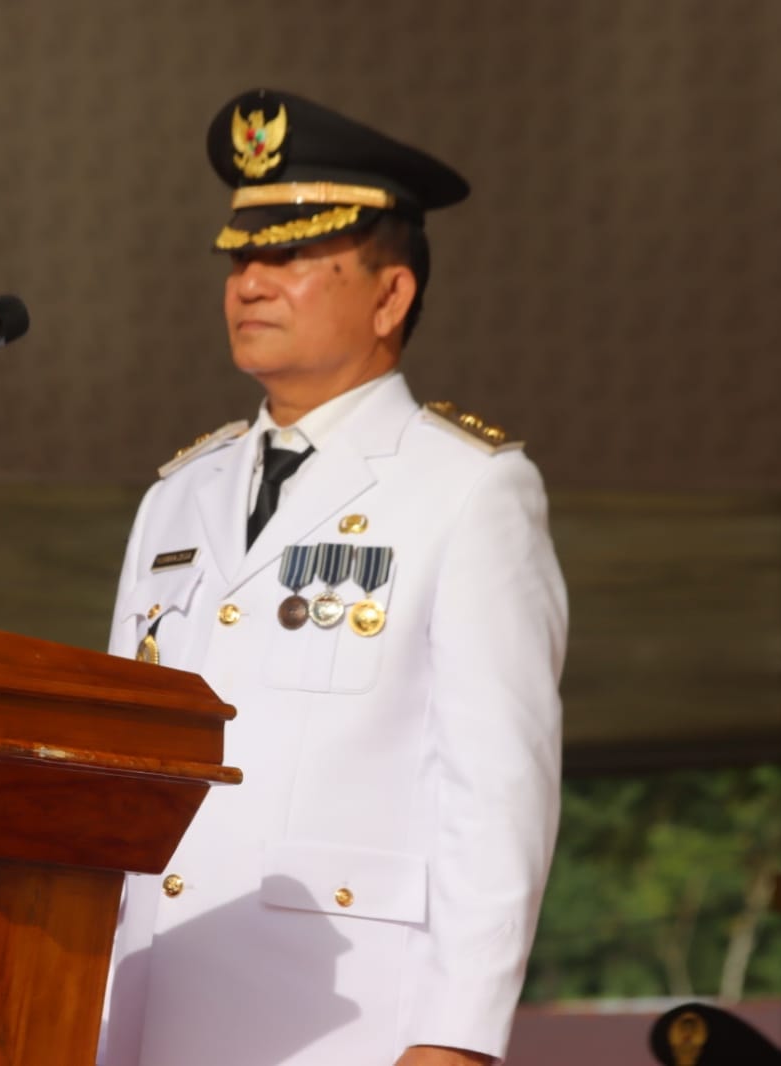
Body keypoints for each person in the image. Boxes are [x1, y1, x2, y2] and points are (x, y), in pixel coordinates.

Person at [101, 88, 568, 1066]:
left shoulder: (468, 489)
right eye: (239, 257)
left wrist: (457, 1039)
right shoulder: (178, 497)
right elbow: (120, 769)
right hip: (152, 1009)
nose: (250, 284)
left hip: (349, 1025)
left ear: (390, 295)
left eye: (291, 256)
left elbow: (499, 789)